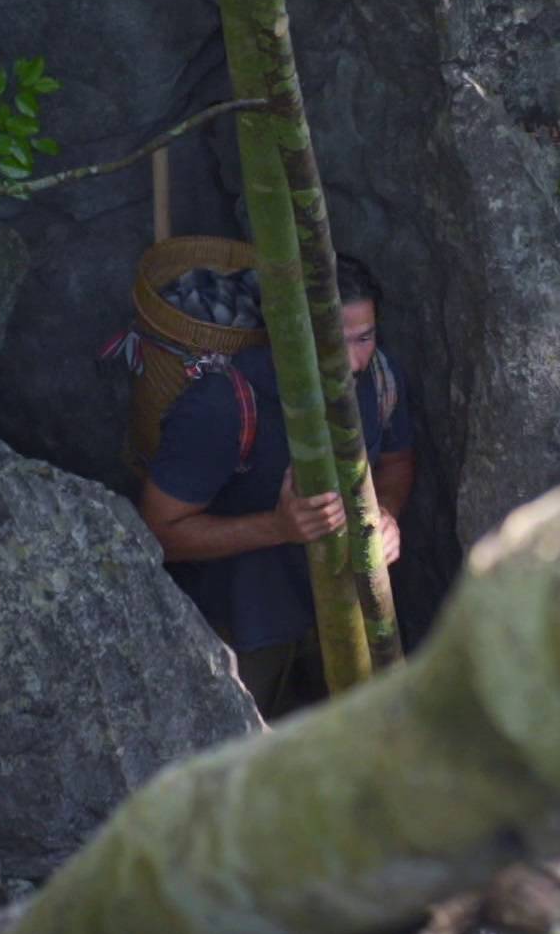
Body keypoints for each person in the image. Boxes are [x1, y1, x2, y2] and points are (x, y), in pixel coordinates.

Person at [138, 255, 414, 717]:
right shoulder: (223, 405)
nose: (350, 361)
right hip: (242, 626)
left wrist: (385, 514)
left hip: (345, 611)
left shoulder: (381, 377)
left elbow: (396, 462)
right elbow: (157, 532)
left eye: (363, 338)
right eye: (331, 341)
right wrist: (278, 527)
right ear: (289, 334)